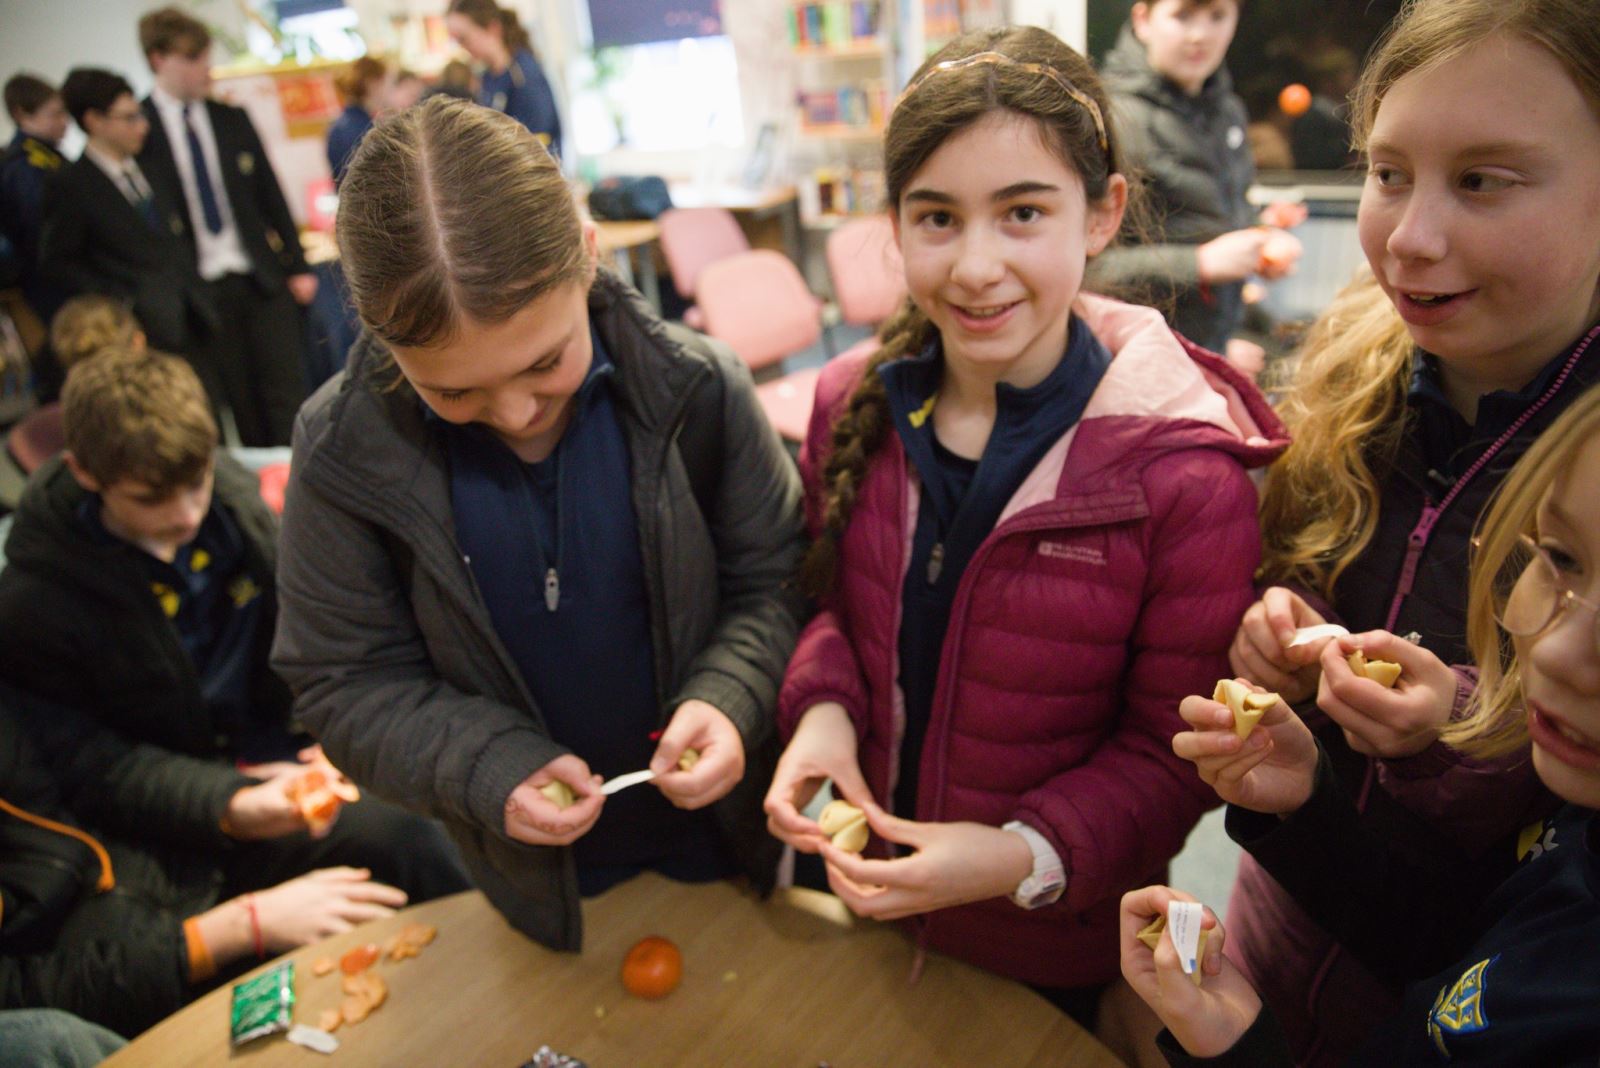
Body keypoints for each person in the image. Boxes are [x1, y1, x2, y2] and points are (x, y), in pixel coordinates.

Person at [762, 25, 1288, 1038]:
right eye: (936, 218)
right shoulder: (849, 402)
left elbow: (1169, 754)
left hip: (1043, 943)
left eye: (1021, 214)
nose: (973, 267)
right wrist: (822, 713)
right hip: (851, 906)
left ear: (1102, 215)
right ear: (896, 225)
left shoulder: (1183, 475)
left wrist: (1013, 856)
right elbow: (835, 604)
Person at [270, 97, 803, 950]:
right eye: (453, 392)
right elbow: (343, 681)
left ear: (587, 258)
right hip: (527, 882)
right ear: (376, 336)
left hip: (728, 846)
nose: (515, 413)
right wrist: (481, 763)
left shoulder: (699, 389)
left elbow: (776, 585)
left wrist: (734, 692)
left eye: (545, 361)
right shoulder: (342, 454)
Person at [1217, 1, 1600, 1061]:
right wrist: (1275, 624)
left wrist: (1456, 727)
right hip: (1272, 933)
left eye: (1481, 179)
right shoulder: (1352, 369)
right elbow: (1292, 570)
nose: (1411, 237)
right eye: (1388, 173)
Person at [1125, 381, 1600, 1066]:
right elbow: (1457, 961)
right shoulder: (1574, 831)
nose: (1555, 650)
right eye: (1559, 558)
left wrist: (1241, 1054)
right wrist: (1306, 810)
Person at [0, 348, 471, 908]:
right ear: (83, 473)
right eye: (151, 498)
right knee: (408, 840)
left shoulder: (236, 505)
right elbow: (89, 767)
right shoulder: (36, 603)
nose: (186, 514)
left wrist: (340, 728)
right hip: (187, 812)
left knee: (457, 788)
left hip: (292, 746)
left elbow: (325, 634)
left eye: (196, 482)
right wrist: (227, 803)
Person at [0, 680, 406, 1037]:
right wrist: (235, 929)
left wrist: (235, 805)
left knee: (381, 831)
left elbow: (103, 768)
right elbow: (22, 1001)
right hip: (120, 981)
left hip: (169, 869)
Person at [136, 6, 317, 447]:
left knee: (287, 392)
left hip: (259, 275)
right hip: (202, 291)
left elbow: (270, 194)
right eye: (193, 58)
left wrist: (297, 263)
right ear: (160, 59)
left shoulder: (228, 118)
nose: (205, 68)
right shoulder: (142, 129)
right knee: (241, 405)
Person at [1094, 0, 1304, 366]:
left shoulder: (1229, 112)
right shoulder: (1111, 119)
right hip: (1136, 359)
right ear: (1143, 20)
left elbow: (1212, 223)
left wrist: (1260, 238)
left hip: (1216, 342)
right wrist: (1200, 263)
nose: (1200, 35)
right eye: (1183, 15)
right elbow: (1086, 272)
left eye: (1217, 16)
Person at [39, 69, 217, 378]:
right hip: (140, 327)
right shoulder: (71, 184)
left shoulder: (150, 166)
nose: (142, 126)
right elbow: (59, 261)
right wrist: (121, 300)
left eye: (141, 115)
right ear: (94, 120)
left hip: (192, 314)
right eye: (129, 118)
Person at [445, 0, 562, 159]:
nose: (463, 47)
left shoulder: (523, 75)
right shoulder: (487, 77)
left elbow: (540, 143)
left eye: (464, 38)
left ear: (493, 29)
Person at [1, 74, 70, 329]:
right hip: (51, 283)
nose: (64, 122)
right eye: (54, 114)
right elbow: (42, 231)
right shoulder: (24, 166)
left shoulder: (47, 156)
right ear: (21, 115)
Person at [326, 56, 389, 186]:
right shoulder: (363, 131)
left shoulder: (340, 124)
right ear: (373, 84)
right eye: (386, 82)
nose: (388, 90)